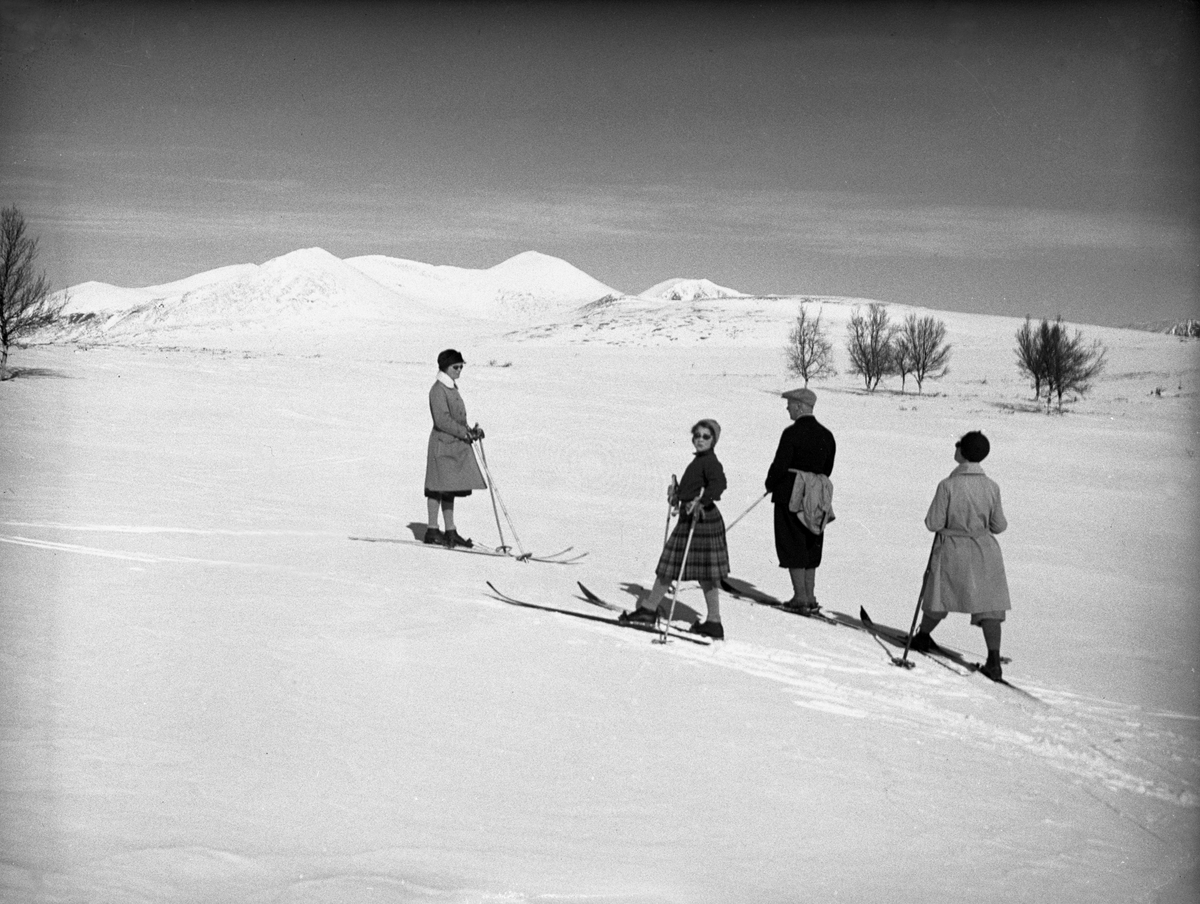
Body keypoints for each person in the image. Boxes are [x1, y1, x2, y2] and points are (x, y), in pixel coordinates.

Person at [909, 431, 1011, 681]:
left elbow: (932, 523)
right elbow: (999, 526)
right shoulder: (992, 487)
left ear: (963, 452)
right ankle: (994, 660)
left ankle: (922, 637)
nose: (955, 449)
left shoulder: (948, 485)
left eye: (958, 445)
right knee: (990, 607)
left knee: (940, 595)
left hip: (953, 548)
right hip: (985, 551)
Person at [619, 419, 730, 640]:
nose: (700, 439)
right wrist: (678, 496)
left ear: (713, 440)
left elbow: (719, 484)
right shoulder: (699, 461)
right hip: (693, 519)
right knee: (701, 573)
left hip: (700, 521)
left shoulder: (710, 462)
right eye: (697, 435)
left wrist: (701, 501)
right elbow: (693, 488)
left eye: (705, 436)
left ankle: (649, 610)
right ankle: (713, 622)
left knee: (670, 567)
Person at [765, 388, 836, 613]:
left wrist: (771, 484)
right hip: (818, 495)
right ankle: (810, 596)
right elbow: (828, 468)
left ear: (799, 406)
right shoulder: (827, 435)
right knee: (811, 541)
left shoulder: (791, 433)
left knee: (791, 541)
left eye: (789, 404)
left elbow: (779, 465)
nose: (787, 408)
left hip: (791, 493)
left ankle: (800, 597)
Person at [423, 349, 487, 548]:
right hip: (442, 445)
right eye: (456, 367)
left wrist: (470, 430)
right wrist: (463, 433)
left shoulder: (451, 388)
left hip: (453, 445)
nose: (459, 370)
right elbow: (442, 420)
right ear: (445, 368)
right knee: (436, 488)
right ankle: (432, 530)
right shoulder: (438, 390)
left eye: (461, 367)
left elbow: (456, 418)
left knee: (449, 487)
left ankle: (450, 530)